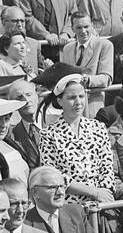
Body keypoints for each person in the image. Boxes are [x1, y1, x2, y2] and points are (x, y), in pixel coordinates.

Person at [40, 73, 117, 203]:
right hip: (69, 206)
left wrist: (102, 193)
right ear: (60, 101)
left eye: (81, 96)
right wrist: (93, 192)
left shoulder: (99, 127)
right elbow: (53, 176)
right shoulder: (48, 134)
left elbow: (107, 167)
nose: (78, 102)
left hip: (101, 203)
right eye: (71, 98)